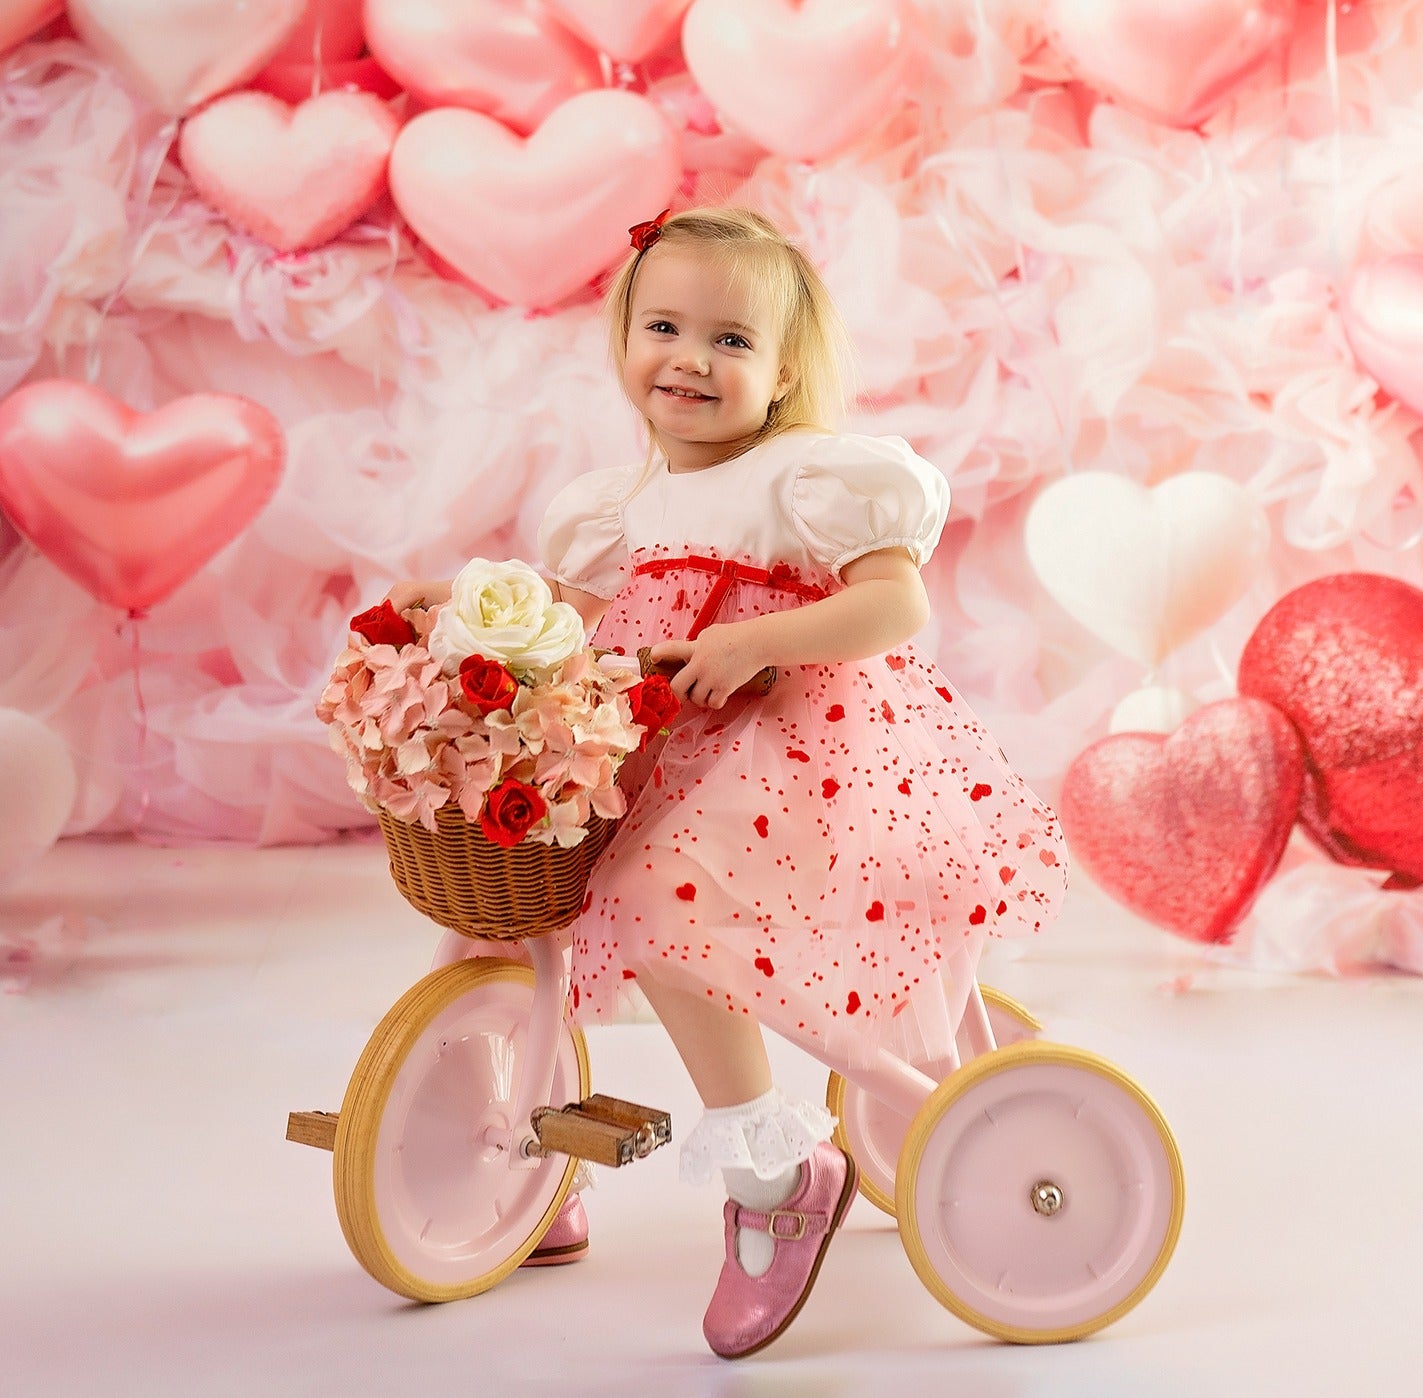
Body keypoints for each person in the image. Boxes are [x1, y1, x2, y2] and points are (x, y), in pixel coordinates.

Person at [388, 206, 1067, 1358]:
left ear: (785, 369)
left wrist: (759, 642)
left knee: (658, 909)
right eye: (664, 326)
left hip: (798, 754)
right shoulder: (617, 511)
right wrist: (464, 619)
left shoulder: (810, 478)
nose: (691, 360)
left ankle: (771, 1168)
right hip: (661, 755)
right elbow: (590, 628)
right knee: (503, 914)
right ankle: (532, 1153)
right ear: (623, 340)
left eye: (731, 341)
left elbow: (895, 603)